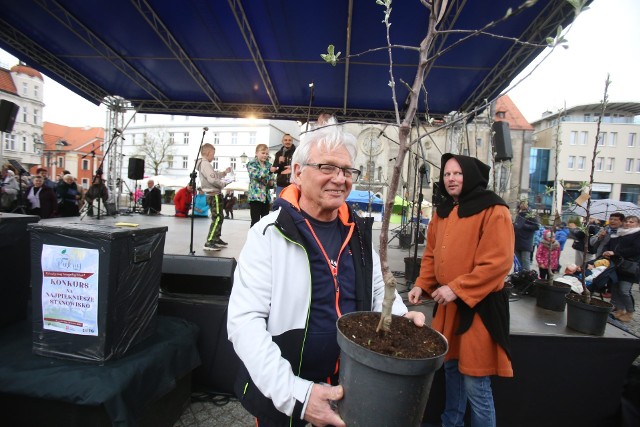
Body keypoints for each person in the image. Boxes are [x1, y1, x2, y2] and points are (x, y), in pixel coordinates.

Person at [227, 118, 425, 427]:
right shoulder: (268, 234)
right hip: (285, 400)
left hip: (350, 388)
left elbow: (376, 293)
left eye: (347, 171)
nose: (340, 179)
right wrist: (298, 396)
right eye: (327, 168)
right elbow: (244, 324)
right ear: (296, 173)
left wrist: (400, 320)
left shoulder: (357, 234)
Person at [408, 153, 513, 427]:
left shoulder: (494, 210)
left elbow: (498, 262)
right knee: (451, 372)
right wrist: (422, 284)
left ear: (470, 176)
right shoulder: (443, 212)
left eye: (457, 173)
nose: (451, 179)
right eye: (446, 174)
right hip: (449, 307)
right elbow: (431, 255)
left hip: (480, 308)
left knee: (476, 384)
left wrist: (456, 288)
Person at [602, 215, 640, 323]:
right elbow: (613, 246)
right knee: (615, 288)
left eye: (632, 222)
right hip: (617, 265)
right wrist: (608, 252)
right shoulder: (620, 233)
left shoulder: (638, 234)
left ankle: (629, 312)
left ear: (637, 224)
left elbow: (636, 249)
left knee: (624, 290)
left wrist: (616, 253)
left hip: (630, 267)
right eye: (627, 221)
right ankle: (620, 309)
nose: (628, 223)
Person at [197, 143, 232, 251]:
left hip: (212, 194)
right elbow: (212, 179)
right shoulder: (206, 164)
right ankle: (210, 241)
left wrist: (224, 173)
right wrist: (223, 184)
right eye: (213, 154)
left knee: (218, 217)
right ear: (208, 153)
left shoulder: (203, 164)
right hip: (214, 194)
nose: (213, 156)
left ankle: (216, 238)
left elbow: (213, 175)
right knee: (217, 217)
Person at [247, 143, 274, 227]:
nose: (265, 155)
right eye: (263, 153)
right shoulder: (251, 164)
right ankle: (253, 239)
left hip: (266, 198)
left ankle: (263, 239)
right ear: (256, 153)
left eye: (266, 154)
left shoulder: (268, 165)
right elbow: (256, 175)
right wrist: (269, 171)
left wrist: (272, 183)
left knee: (265, 222)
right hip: (255, 197)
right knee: (255, 222)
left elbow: (271, 180)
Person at [513, 200, 539, 271]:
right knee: (518, 262)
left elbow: (537, 226)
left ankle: (526, 278)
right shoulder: (519, 214)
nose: (522, 205)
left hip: (526, 241)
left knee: (525, 261)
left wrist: (524, 226)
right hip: (517, 241)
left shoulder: (531, 214)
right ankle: (518, 277)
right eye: (521, 203)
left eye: (524, 203)